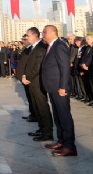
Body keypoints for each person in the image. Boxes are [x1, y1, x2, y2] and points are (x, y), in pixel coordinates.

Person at [41, 25, 77, 156]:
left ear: (51, 32)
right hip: (52, 87)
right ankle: (61, 141)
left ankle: (69, 146)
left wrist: (63, 87)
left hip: (59, 88)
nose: (42, 35)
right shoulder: (51, 46)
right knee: (57, 116)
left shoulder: (59, 45)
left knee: (64, 117)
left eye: (44, 32)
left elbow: (65, 68)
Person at [21, 27, 53, 142]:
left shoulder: (41, 48)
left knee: (42, 107)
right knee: (36, 106)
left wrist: (27, 77)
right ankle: (41, 129)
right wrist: (24, 76)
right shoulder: (33, 47)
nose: (26, 37)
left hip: (37, 82)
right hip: (31, 82)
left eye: (28, 35)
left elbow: (37, 66)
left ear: (35, 35)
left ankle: (47, 133)